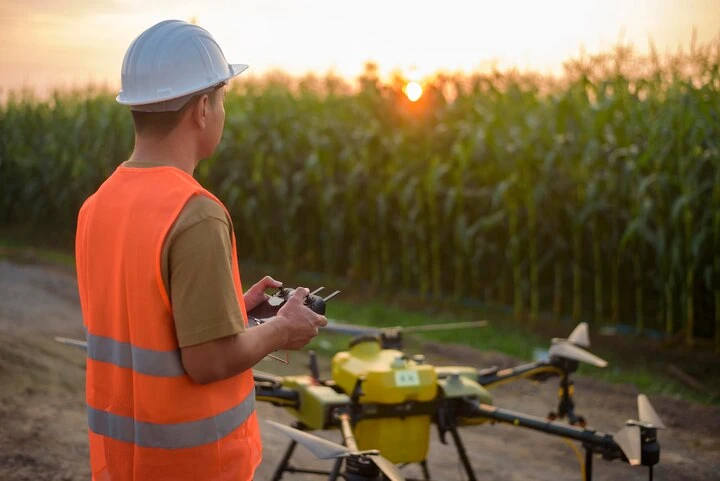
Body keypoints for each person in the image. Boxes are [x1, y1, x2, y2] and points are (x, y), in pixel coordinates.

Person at [75, 19, 327, 481]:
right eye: (223, 99)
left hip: (121, 463)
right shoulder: (195, 213)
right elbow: (208, 361)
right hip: (192, 467)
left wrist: (234, 312)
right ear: (202, 109)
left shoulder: (97, 206)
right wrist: (282, 329)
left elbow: (146, 323)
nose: (223, 113)